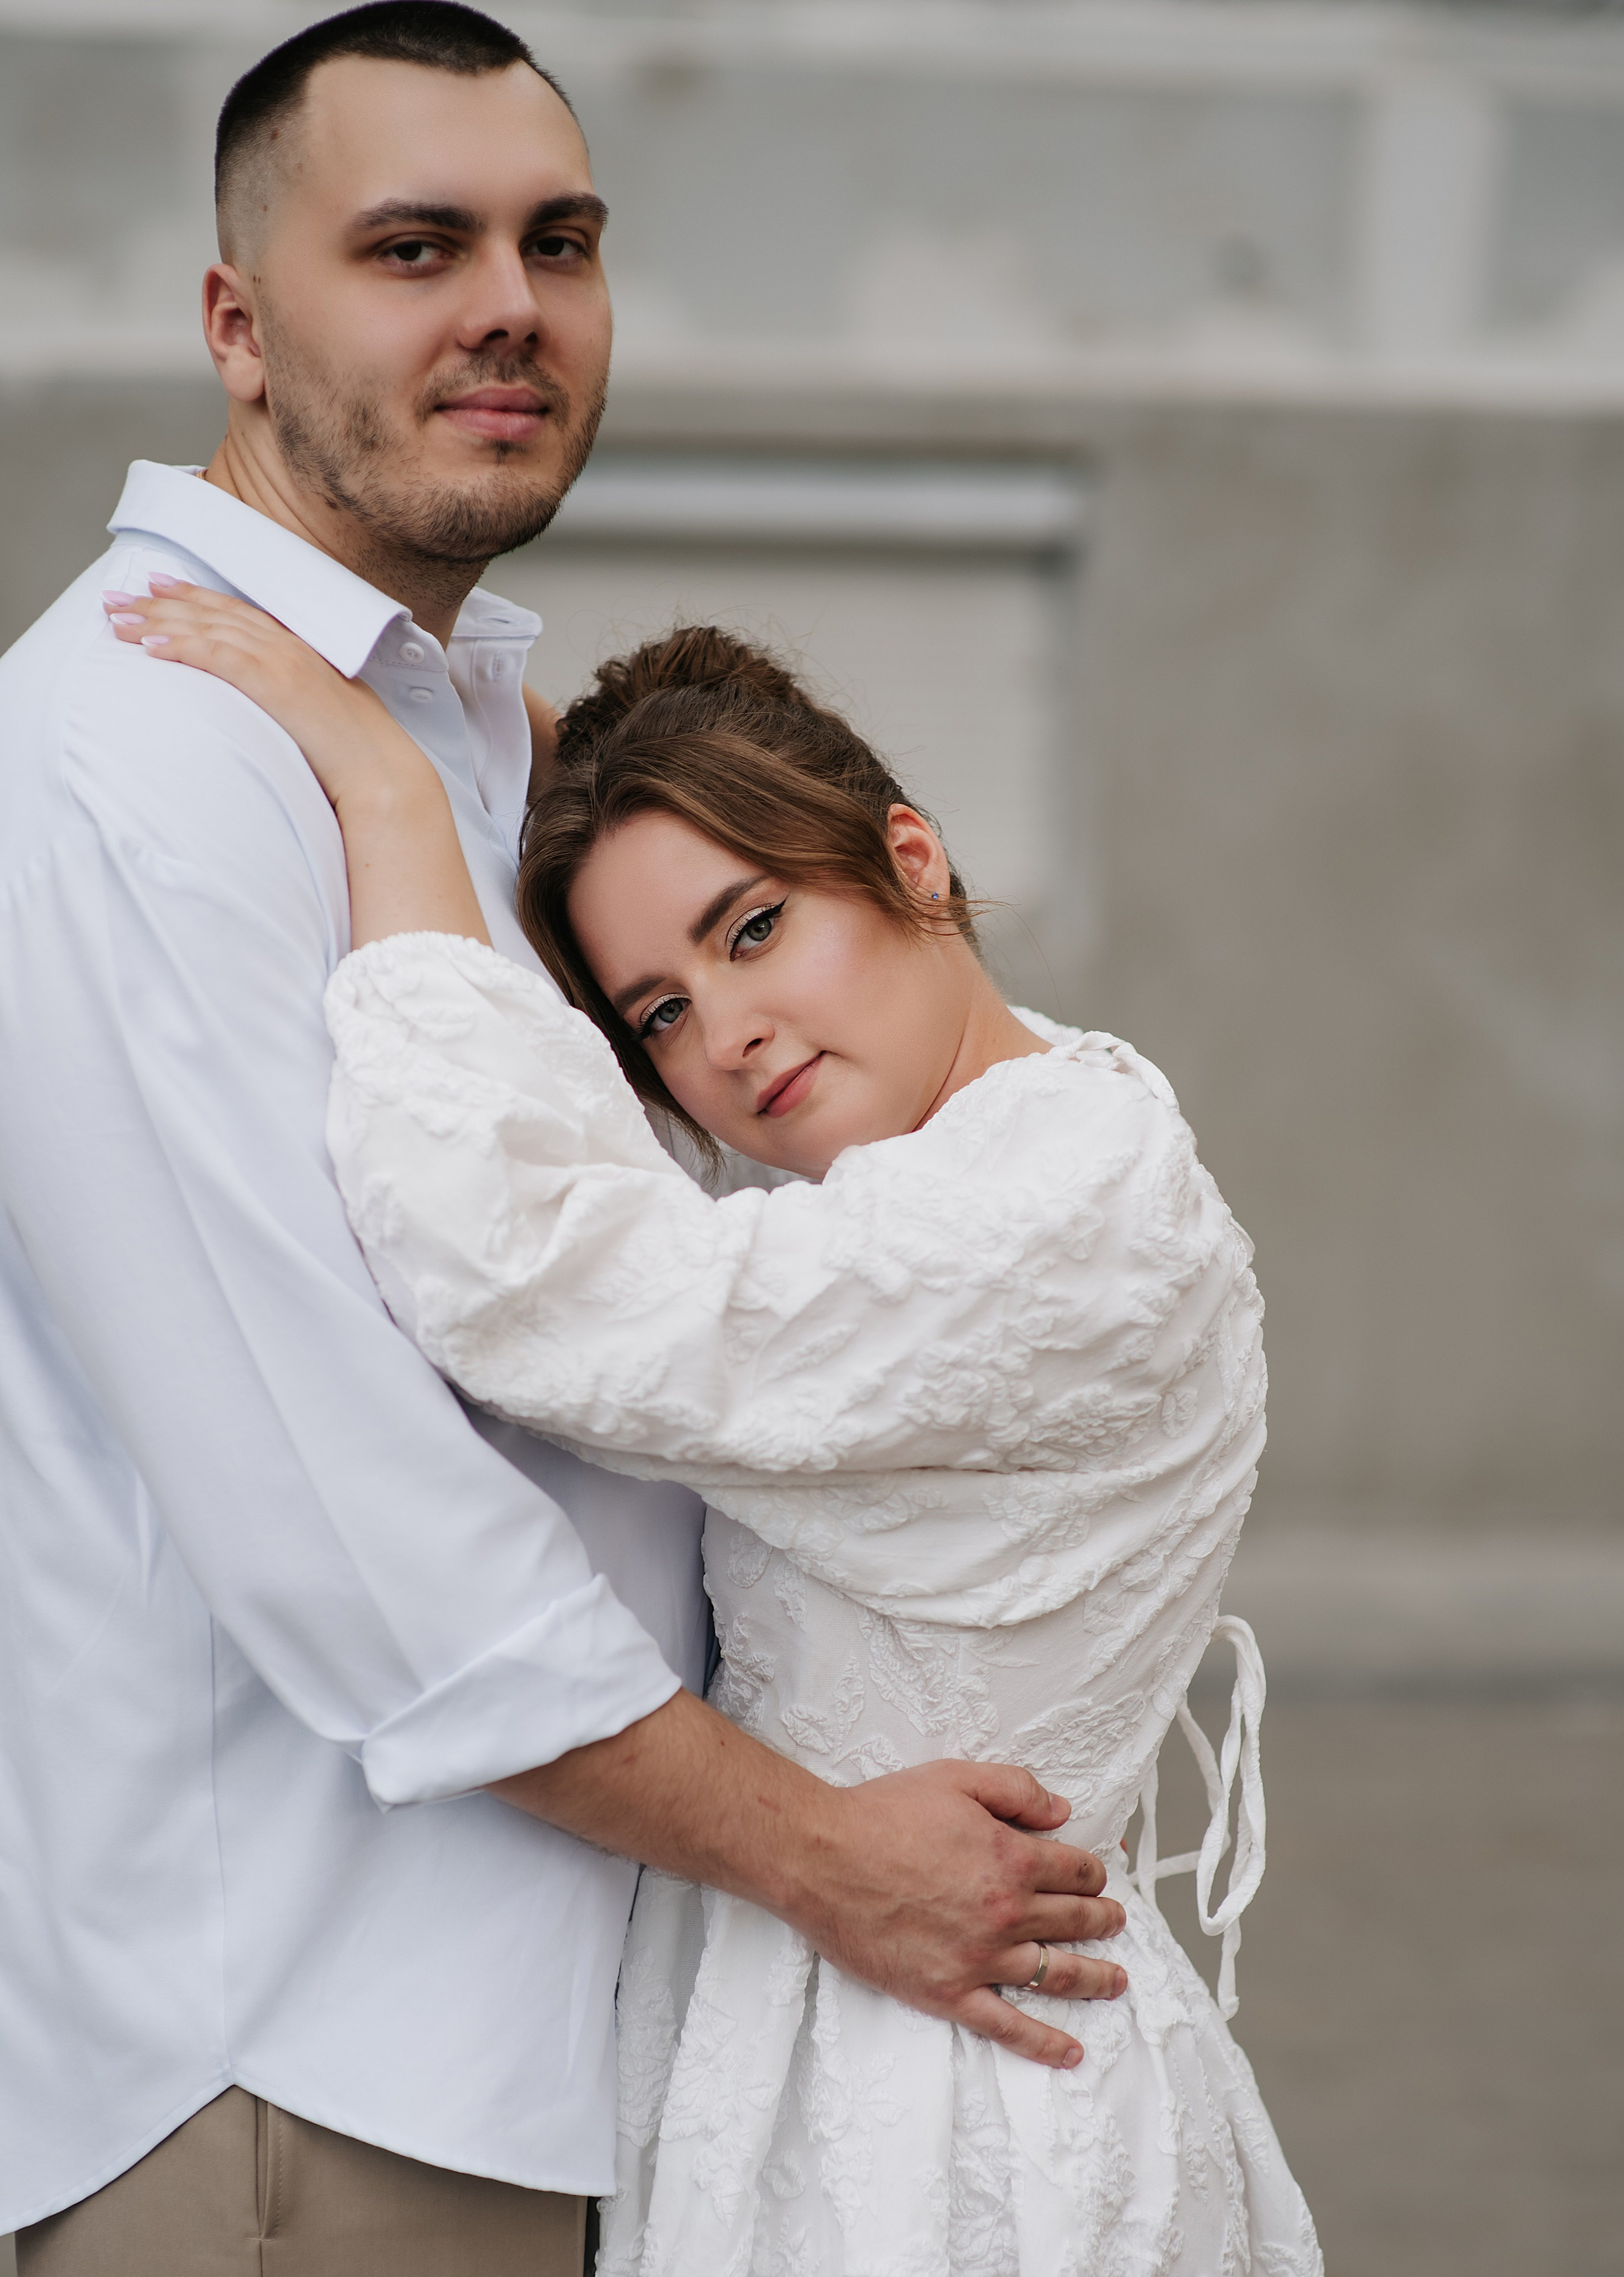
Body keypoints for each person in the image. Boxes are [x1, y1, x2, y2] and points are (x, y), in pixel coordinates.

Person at [0, 9, 1126, 2272]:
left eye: (560, 240)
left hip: (572, 2031)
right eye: (413, 246)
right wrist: (818, 1844)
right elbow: (342, 1508)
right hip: (303, 2077)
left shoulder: (486, 739)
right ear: (236, 321)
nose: (509, 304)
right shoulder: (123, 761)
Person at [101, 582, 1324, 2274]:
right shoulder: (967, 1157)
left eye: (751, 929)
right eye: (659, 1011)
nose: (725, 1038)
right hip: (803, 2048)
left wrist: (390, 796)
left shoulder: (1058, 1206)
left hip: (960, 2109)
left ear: (909, 859)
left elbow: (541, 1278)